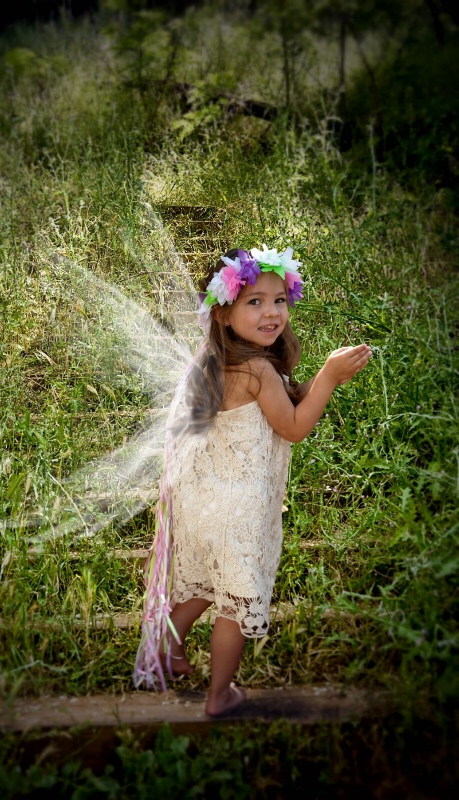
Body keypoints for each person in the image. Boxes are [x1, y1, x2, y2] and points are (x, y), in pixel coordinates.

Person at [133, 245, 372, 717]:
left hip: (203, 501)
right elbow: (294, 428)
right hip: (238, 505)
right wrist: (327, 376)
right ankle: (220, 695)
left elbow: (273, 409)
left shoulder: (216, 362)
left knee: (203, 584)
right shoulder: (258, 368)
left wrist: (303, 387)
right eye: (255, 302)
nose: (271, 312)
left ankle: (166, 649)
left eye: (279, 300)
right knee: (236, 602)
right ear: (223, 313)